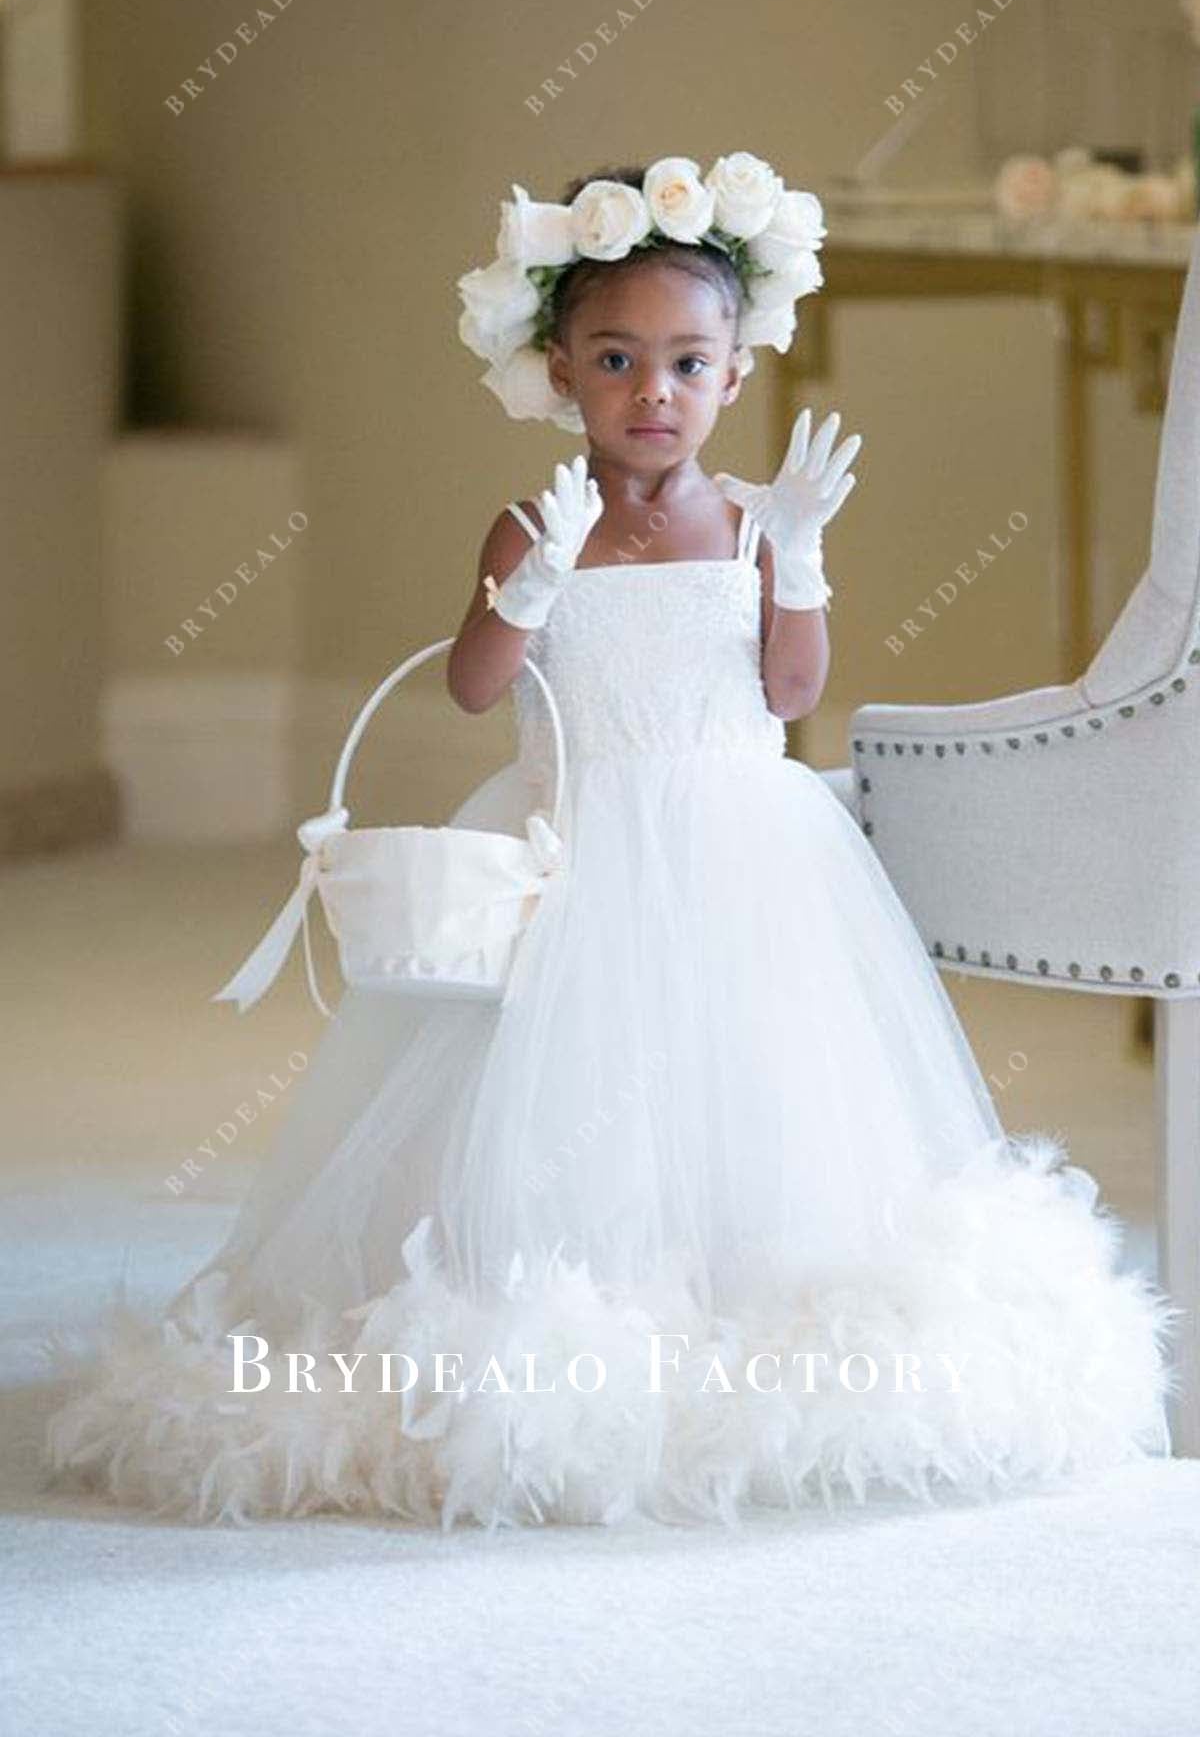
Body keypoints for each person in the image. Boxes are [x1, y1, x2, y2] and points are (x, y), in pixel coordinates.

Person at [43, 152, 1179, 1533]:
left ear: (737, 373)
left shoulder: (755, 520)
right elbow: (472, 686)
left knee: (756, 1087)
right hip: (569, 846)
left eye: (689, 362)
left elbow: (791, 693)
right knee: (553, 1097)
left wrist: (803, 555)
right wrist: (528, 580)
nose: (656, 394)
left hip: (745, 852)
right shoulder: (534, 522)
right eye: (619, 360)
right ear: (559, 371)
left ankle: (748, 1311)